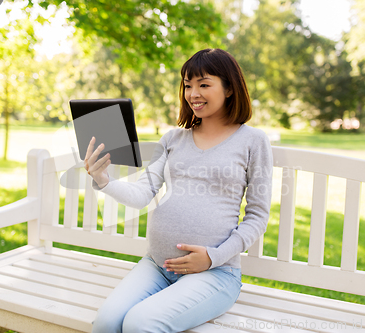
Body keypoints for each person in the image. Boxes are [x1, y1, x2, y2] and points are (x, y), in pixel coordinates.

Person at [85, 48, 273, 333]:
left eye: (204, 84)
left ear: (230, 89)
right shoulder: (173, 138)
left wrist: (212, 257)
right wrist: (103, 180)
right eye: (187, 85)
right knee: (106, 322)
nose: (193, 93)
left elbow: (258, 216)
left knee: (140, 324)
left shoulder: (253, 141)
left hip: (216, 273)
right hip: (158, 266)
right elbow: (143, 192)